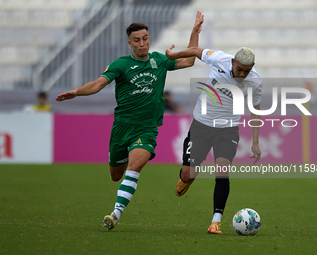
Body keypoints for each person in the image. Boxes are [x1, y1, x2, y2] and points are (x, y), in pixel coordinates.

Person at [55, 11, 204, 231]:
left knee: (135, 167)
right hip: (121, 128)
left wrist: (194, 31)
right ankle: (120, 170)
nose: (142, 43)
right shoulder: (121, 64)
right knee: (116, 175)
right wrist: (77, 92)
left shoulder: (160, 60)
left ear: (149, 39)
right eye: (137, 40)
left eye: (145, 38)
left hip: (146, 128)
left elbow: (190, 60)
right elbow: (98, 84)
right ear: (129, 43)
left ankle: (115, 214)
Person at [166, 46, 262, 234]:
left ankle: (216, 221)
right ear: (233, 62)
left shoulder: (255, 81)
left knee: (222, 171)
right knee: (187, 174)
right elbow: (194, 50)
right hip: (201, 125)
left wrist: (256, 142)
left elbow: (256, 109)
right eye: (239, 69)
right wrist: (172, 55)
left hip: (227, 129)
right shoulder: (219, 59)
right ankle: (189, 178)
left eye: (247, 71)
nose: (242, 74)